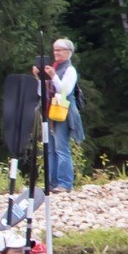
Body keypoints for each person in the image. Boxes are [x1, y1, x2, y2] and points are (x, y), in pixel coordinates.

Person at [33, 38, 84, 193]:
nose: (56, 53)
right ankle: (51, 182)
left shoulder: (69, 70)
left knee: (61, 148)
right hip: (51, 111)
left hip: (63, 111)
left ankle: (65, 183)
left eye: (59, 50)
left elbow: (64, 91)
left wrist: (53, 76)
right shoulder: (53, 68)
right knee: (50, 149)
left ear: (68, 52)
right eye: (55, 50)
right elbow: (41, 93)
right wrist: (39, 78)